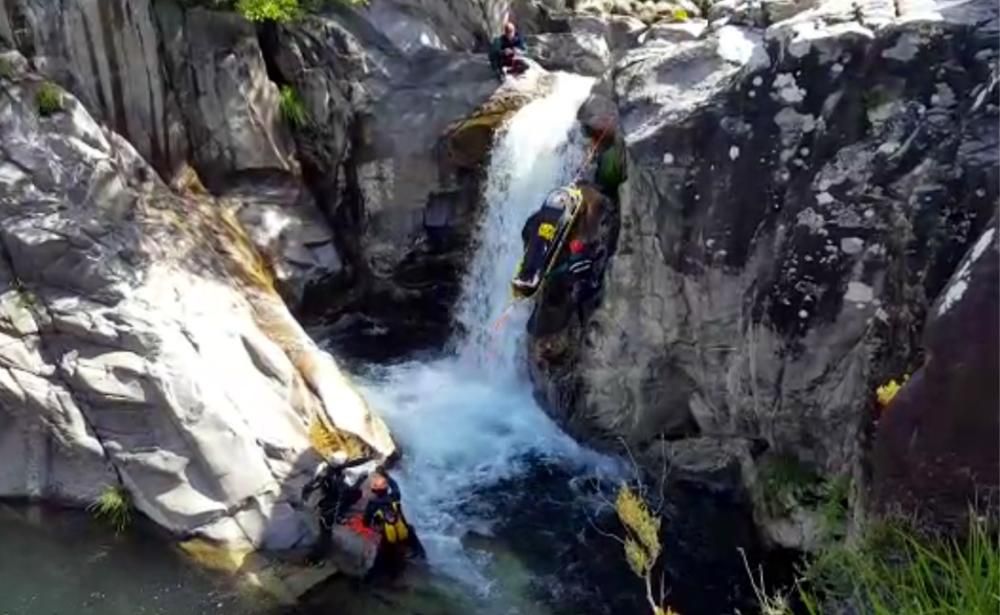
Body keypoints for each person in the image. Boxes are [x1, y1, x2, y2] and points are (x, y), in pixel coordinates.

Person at [302, 452, 373, 564]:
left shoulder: (325, 471)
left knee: (355, 494)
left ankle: (316, 555)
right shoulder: (336, 481)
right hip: (329, 511)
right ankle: (315, 558)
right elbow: (347, 489)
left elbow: (349, 464)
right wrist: (361, 479)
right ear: (339, 467)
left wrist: (367, 458)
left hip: (323, 503)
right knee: (326, 536)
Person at [513, 186, 582, 296]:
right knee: (541, 244)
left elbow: (528, 228)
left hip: (548, 218)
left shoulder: (555, 199)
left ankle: (529, 274)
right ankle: (531, 275)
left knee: (538, 244)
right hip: (552, 219)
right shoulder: (567, 200)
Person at [363, 469, 426, 560]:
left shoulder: (372, 504)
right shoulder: (395, 496)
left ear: (374, 491)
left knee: (381, 540)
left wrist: (375, 526)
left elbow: (365, 522)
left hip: (388, 538)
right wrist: (387, 476)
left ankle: (389, 563)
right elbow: (395, 486)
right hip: (403, 532)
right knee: (410, 528)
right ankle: (421, 554)